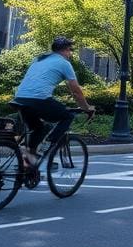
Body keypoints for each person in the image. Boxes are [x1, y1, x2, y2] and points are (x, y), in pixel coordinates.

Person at [14, 36, 94, 167]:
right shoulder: (64, 63)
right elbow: (76, 91)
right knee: (67, 116)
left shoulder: (38, 59)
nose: (70, 53)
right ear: (66, 50)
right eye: (70, 50)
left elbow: (38, 81)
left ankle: (27, 165)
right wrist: (86, 108)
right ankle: (48, 145)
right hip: (38, 100)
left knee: (39, 128)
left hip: (20, 99)